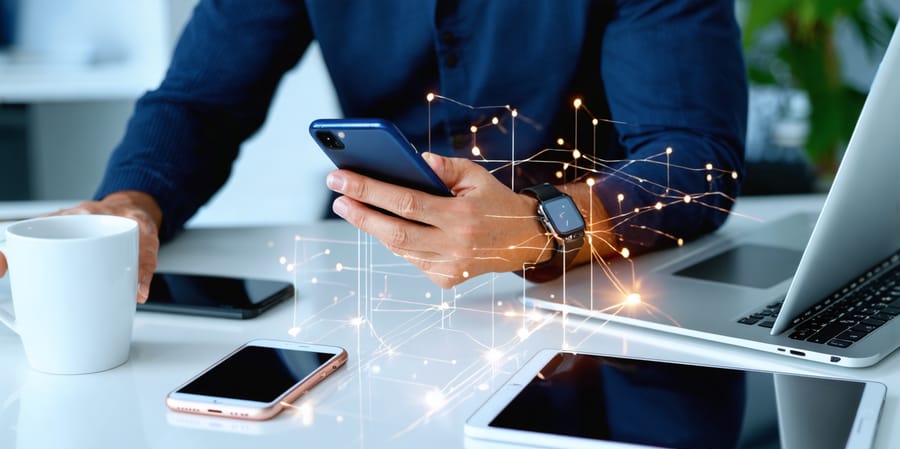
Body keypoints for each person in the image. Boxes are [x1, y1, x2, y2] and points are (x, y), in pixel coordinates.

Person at [0, 0, 747, 301]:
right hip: (388, 285)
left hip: (609, 283)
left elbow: (694, 161)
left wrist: (540, 226)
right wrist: (132, 205)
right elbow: (200, 102)